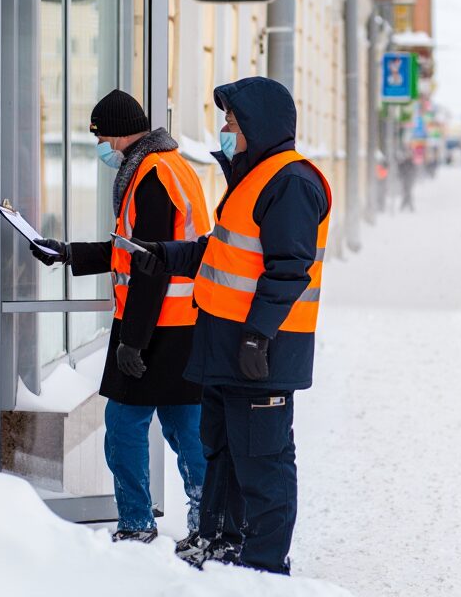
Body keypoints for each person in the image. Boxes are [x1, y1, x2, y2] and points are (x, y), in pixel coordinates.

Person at [129, 76, 331, 575]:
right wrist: (165, 255)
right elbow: (220, 254)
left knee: (263, 461)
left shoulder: (291, 183)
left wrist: (257, 334)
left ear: (257, 126)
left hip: (259, 351)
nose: (224, 130)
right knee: (222, 454)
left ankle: (264, 566)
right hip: (224, 347)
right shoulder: (254, 178)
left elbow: (288, 270)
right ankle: (222, 545)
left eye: (232, 122)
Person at [29, 91, 211, 546]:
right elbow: (134, 251)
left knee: (125, 426)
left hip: (155, 325)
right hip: (182, 322)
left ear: (120, 132)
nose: (103, 146)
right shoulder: (171, 166)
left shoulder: (150, 176)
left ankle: (135, 523)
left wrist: (133, 341)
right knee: (186, 425)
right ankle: (211, 518)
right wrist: (70, 254)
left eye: (103, 136)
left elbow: (148, 267)